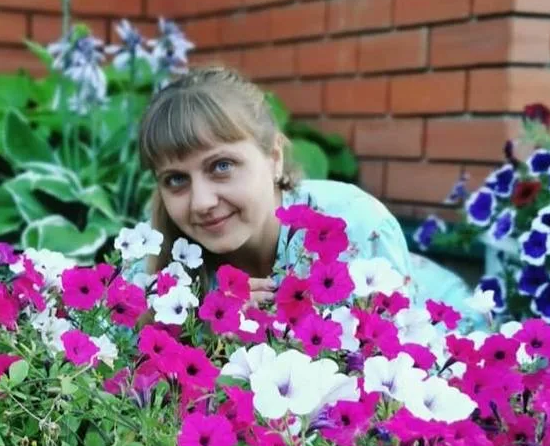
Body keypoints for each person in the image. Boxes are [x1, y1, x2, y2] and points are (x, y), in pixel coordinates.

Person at [135, 66, 470, 313]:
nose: (201, 203)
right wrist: (216, 334)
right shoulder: (150, 260)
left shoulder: (354, 224)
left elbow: (395, 366)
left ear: (274, 158)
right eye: (176, 179)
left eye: (221, 166)